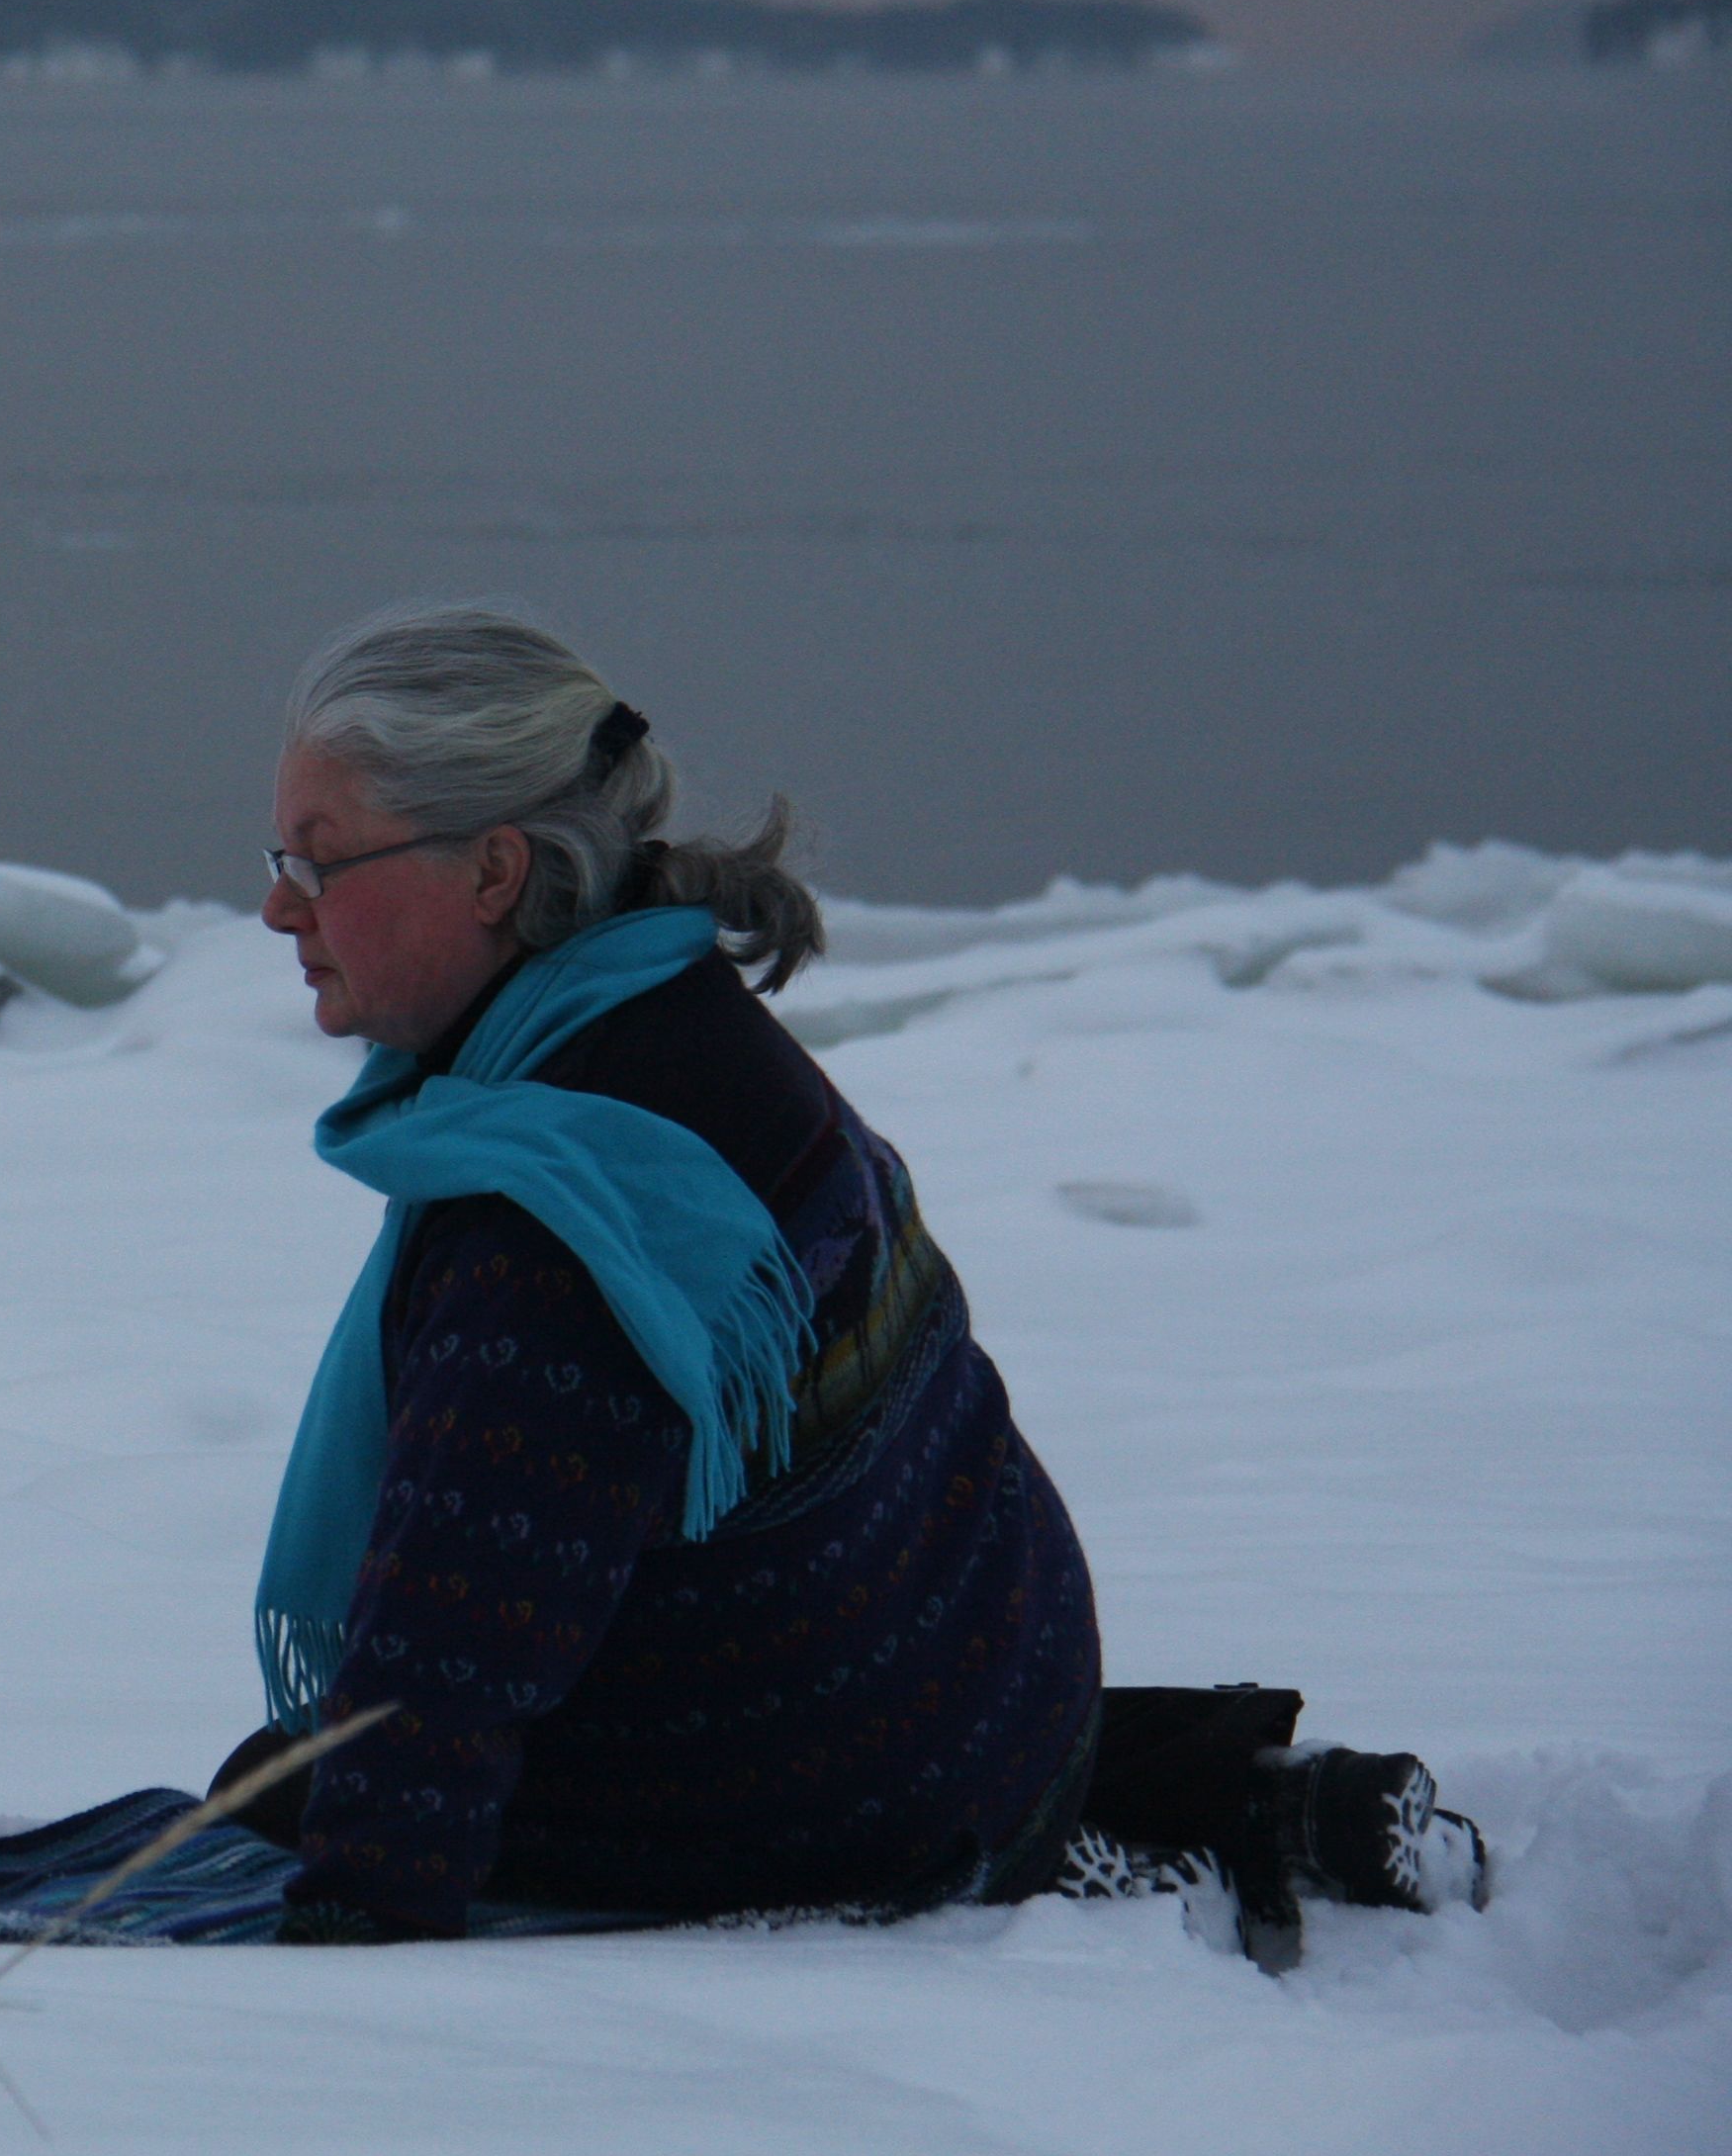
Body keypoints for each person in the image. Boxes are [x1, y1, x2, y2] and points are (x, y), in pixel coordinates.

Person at [217, 603, 1479, 1962]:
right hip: (998, 1659)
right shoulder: (672, 1024)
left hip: (864, 1790)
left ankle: (1087, 1861)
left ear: (495, 871)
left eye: (322, 861)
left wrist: (342, 1953)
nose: (281, 904)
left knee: (276, 1790)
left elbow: (446, 1669)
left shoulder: (565, 1215)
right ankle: (1224, 1807)